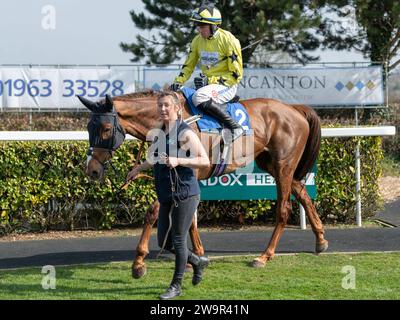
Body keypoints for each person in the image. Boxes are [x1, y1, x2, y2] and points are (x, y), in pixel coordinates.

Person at [125, 91, 210, 300]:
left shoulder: (185, 133)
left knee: (179, 240)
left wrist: (179, 161)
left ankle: (176, 285)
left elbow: (204, 160)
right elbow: (154, 158)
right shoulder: (160, 132)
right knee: (164, 241)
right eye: (160, 105)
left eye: (166, 106)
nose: (163, 109)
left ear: (177, 109)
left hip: (186, 194)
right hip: (166, 194)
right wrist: (137, 168)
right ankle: (197, 261)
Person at [170, 3, 244, 142]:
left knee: (199, 97)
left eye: (202, 26)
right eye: (197, 26)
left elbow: (236, 75)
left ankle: (234, 127)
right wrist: (178, 82)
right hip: (208, 86)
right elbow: (188, 65)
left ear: (214, 26)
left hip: (227, 85)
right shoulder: (197, 41)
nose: (199, 30)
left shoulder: (229, 40)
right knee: (180, 95)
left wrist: (210, 81)